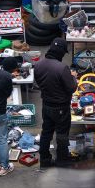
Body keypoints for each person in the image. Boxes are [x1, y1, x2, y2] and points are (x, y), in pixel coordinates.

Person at [34, 38, 77, 168]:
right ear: (60, 53)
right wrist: (73, 77)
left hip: (46, 105)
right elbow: (71, 88)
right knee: (62, 134)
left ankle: (45, 160)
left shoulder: (38, 65)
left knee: (46, 132)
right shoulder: (62, 68)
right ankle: (62, 161)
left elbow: (38, 84)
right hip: (61, 108)